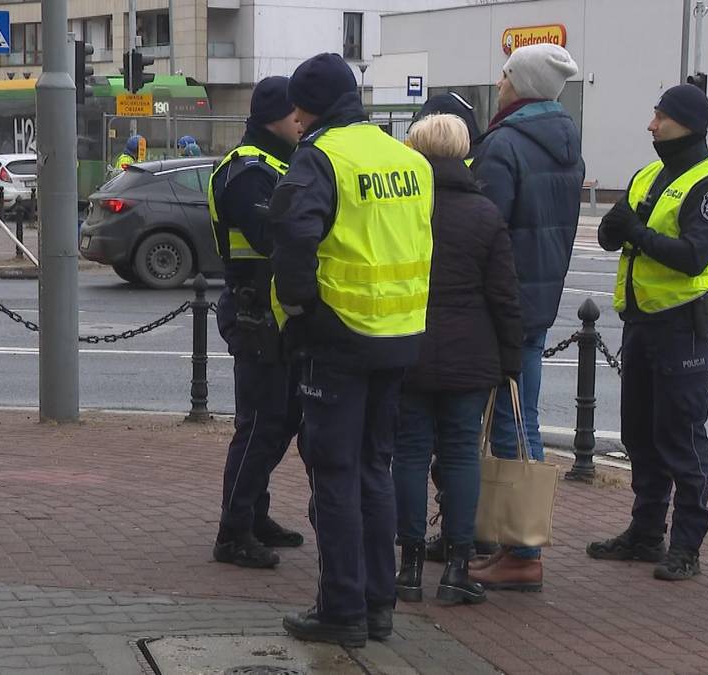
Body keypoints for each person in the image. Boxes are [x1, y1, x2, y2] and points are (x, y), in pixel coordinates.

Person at [271, 53, 434, 647]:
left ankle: (342, 609)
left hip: (338, 338)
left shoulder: (320, 158)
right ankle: (378, 603)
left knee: (334, 474)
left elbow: (291, 238)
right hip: (399, 336)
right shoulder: (409, 158)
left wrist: (301, 313)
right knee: (375, 468)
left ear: (305, 107)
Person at [587, 83, 708, 581]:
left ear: (687, 125)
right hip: (641, 324)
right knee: (640, 434)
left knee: (682, 438)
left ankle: (687, 546)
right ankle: (646, 533)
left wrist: (634, 232)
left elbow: (693, 255)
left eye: (660, 118)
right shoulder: (649, 175)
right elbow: (616, 231)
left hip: (682, 328)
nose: (651, 126)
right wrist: (620, 230)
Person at [392, 113, 522, 607]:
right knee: (462, 455)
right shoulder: (485, 213)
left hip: (408, 346)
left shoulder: (404, 208)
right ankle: (458, 568)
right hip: (471, 354)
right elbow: (504, 296)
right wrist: (510, 358)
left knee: (407, 453)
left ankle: (406, 569)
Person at [468, 43, 585, 592]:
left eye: (506, 75)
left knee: (510, 422)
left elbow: (483, 232)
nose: (499, 83)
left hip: (500, 303)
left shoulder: (504, 145)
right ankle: (518, 543)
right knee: (524, 413)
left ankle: (522, 547)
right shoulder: (565, 145)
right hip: (539, 299)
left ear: (522, 84)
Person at [207, 76, 305, 570]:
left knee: (278, 423)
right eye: (296, 114)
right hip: (255, 312)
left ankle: (254, 514)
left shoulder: (279, 164)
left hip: (273, 312)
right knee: (259, 426)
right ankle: (234, 531)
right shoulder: (247, 171)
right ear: (275, 117)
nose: (302, 121)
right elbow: (271, 235)